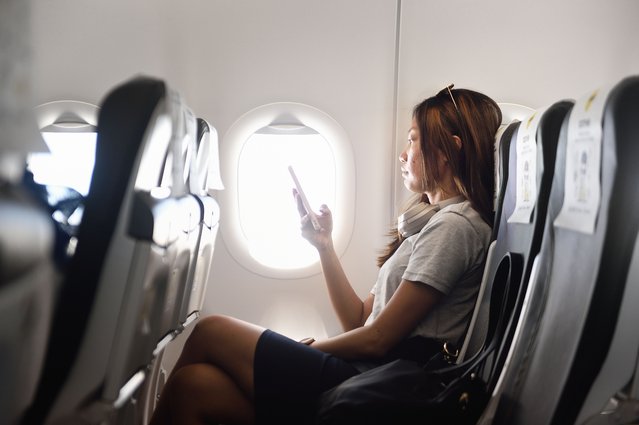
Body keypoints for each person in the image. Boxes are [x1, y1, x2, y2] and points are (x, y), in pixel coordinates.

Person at [149, 85, 502, 425]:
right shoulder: (431, 225)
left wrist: (312, 349)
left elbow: (378, 340)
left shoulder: (456, 227)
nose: (403, 153)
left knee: (211, 331)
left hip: (380, 384)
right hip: (366, 372)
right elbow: (361, 320)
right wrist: (324, 245)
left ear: (447, 151)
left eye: (412, 140)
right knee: (191, 389)